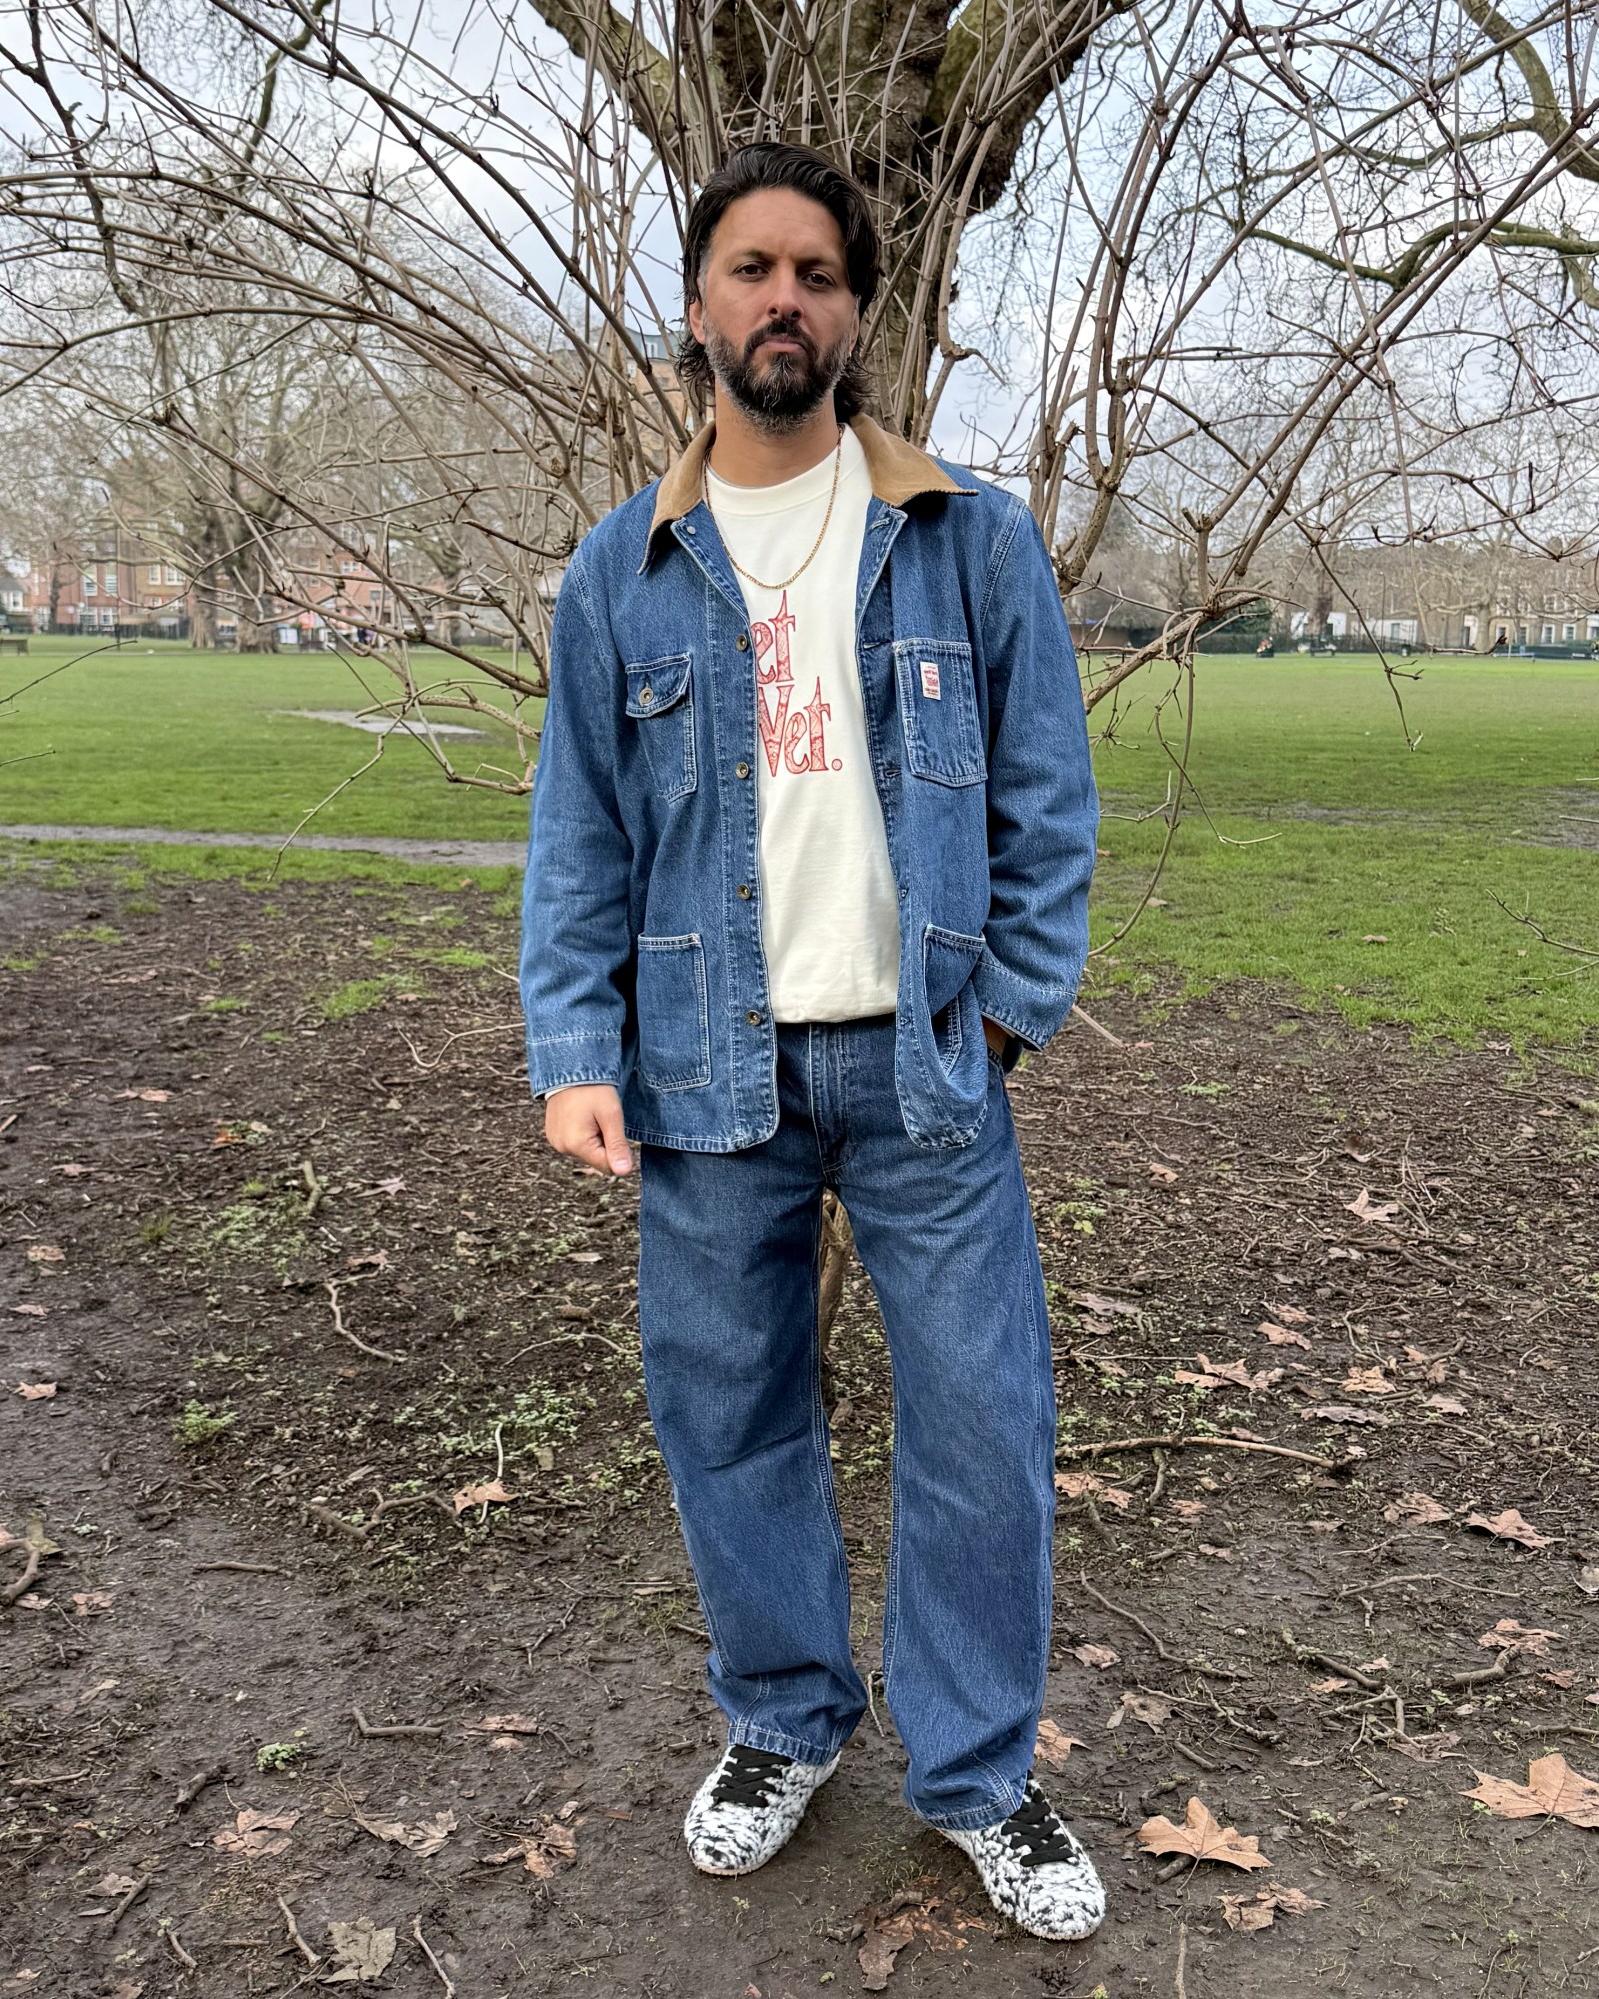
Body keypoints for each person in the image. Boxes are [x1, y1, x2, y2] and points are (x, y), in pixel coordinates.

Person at [519, 142, 1102, 1943]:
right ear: (697, 307)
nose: (787, 299)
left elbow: (1046, 804)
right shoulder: (623, 572)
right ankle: (781, 1721)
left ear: (856, 313)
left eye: (820, 274)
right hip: (704, 1078)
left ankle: (979, 1774)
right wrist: (573, 1047)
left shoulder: (967, 534)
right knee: (730, 1415)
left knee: (986, 1424)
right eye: (753, 269)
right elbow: (582, 836)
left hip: (927, 1070)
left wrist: (1005, 1013)